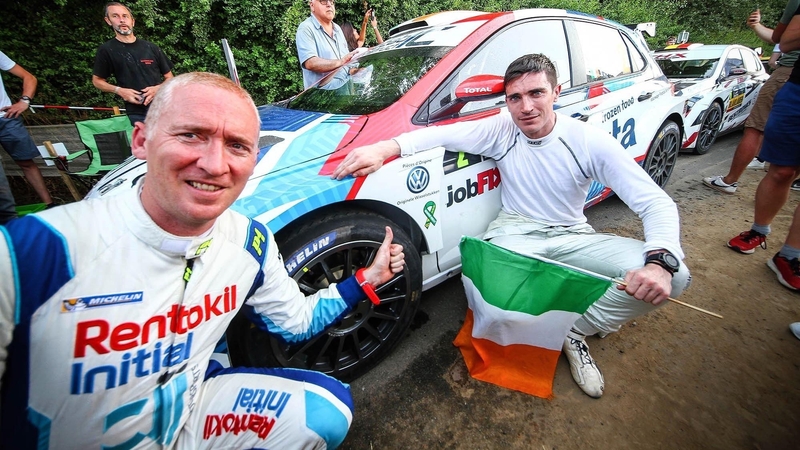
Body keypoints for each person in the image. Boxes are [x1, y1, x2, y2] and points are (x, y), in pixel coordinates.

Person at [0, 72, 405, 448]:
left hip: (188, 414)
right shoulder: (32, 248)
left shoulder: (249, 242)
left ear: (254, 158)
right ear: (140, 141)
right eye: (191, 135)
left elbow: (296, 323)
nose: (214, 165)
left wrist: (366, 278)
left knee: (325, 412)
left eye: (237, 146)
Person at [332, 53, 691, 399]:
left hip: (571, 234)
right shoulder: (503, 128)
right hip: (514, 233)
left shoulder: (587, 141)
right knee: (496, 314)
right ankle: (551, 320)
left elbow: (654, 202)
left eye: (536, 93)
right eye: (515, 97)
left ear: (556, 92)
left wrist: (659, 262)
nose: (526, 107)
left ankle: (574, 331)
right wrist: (386, 148)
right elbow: (440, 135)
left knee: (675, 277)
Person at [726, 5, 800, 291]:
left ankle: (790, 254)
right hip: (796, 87)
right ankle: (759, 230)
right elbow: (785, 41)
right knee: (782, 171)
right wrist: (758, 27)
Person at [702, 3, 800, 194]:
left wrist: (757, 26)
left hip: (790, 74)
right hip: (790, 74)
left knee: (755, 129)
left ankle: (730, 180)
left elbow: (780, 40)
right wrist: (757, 26)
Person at [92, 2, 174, 125]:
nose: (122, 20)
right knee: (146, 138)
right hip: (137, 113)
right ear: (108, 21)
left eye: (125, 16)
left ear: (132, 21)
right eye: (115, 16)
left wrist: (158, 88)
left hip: (163, 108)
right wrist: (119, 90)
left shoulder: (151, 47)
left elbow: (170, 77)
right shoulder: (107, 50)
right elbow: (97, 81)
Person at [0, 50, 54, 208]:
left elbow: (29, 77)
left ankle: (50, 205)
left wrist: (24, 101)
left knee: (26, 162)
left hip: (7, 117)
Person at [295, 0, 359, 90]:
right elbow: (310, 63)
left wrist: (355, 71)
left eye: (332, 1)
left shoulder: (337, 28)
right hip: (324, 95)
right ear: (312, 6)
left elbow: (346, 63)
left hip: (346, 89)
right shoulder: (306, 28)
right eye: (323, 1)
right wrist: (340, 62)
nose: (329, 4)